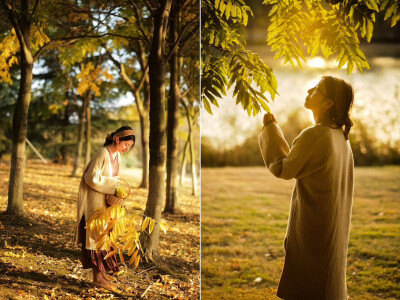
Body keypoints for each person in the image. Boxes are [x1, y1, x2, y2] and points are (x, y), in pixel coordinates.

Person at [259, 76, 354, 300]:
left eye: (317, 89)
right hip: (334, 225)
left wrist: (270, 129)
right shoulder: (341, 136)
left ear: (328, 103)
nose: (309, 88)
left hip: (314, 226)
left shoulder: (316, 135)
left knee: (307, 285)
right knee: (327, 282)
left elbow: (283, 169)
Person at [74, 125, 135, 289]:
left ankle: (102, 274)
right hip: (95, 200)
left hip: (106, 200)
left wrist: (117, 191)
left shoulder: (117, 156)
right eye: (125, 145)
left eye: (129, 147)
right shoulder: (102, 153)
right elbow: (91, 178)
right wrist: (114, 185)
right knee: (96, 236)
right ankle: (97, 278)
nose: (126, 148)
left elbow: (114, 177)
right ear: (117, 139)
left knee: (106, 236)